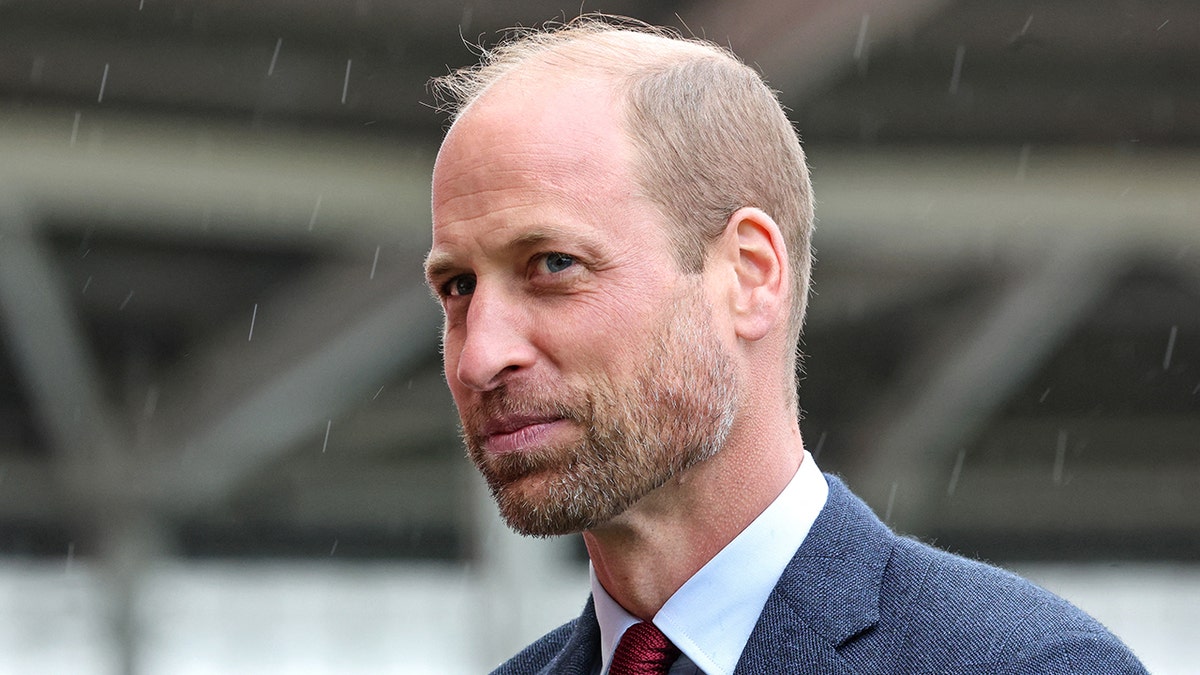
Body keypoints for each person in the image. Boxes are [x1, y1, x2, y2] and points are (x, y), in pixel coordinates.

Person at [423, 17, 1147, 675]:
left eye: (553, 265)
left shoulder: (1026, 665)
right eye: (457, 287)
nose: (480, 355)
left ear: (749, 275)